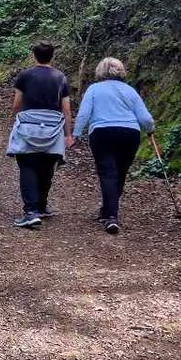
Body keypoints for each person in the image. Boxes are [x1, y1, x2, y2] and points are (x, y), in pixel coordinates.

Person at [73, 57, 155, 235]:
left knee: (108, 173)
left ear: (100, 71)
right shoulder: (130, 91)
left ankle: (111, 215)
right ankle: (108, 210)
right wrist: (150, 130)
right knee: (120, 172)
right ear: (121, 71)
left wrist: (76, 134)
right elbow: (145, 118)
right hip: (129, 134)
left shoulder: (94, 89)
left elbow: (84, 114)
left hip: (102, 133)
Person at [6, 43, 73, 229]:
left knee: (27, 164)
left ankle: (31, 212)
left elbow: (17, 104)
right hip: (53, 127)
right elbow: (66, 109)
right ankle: (42, 206)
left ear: (34, 55)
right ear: (53, 56)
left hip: (28, 125)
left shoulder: (25, 76)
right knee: (47, 164)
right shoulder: (61, 78)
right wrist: (68, 134)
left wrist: (16, 122)